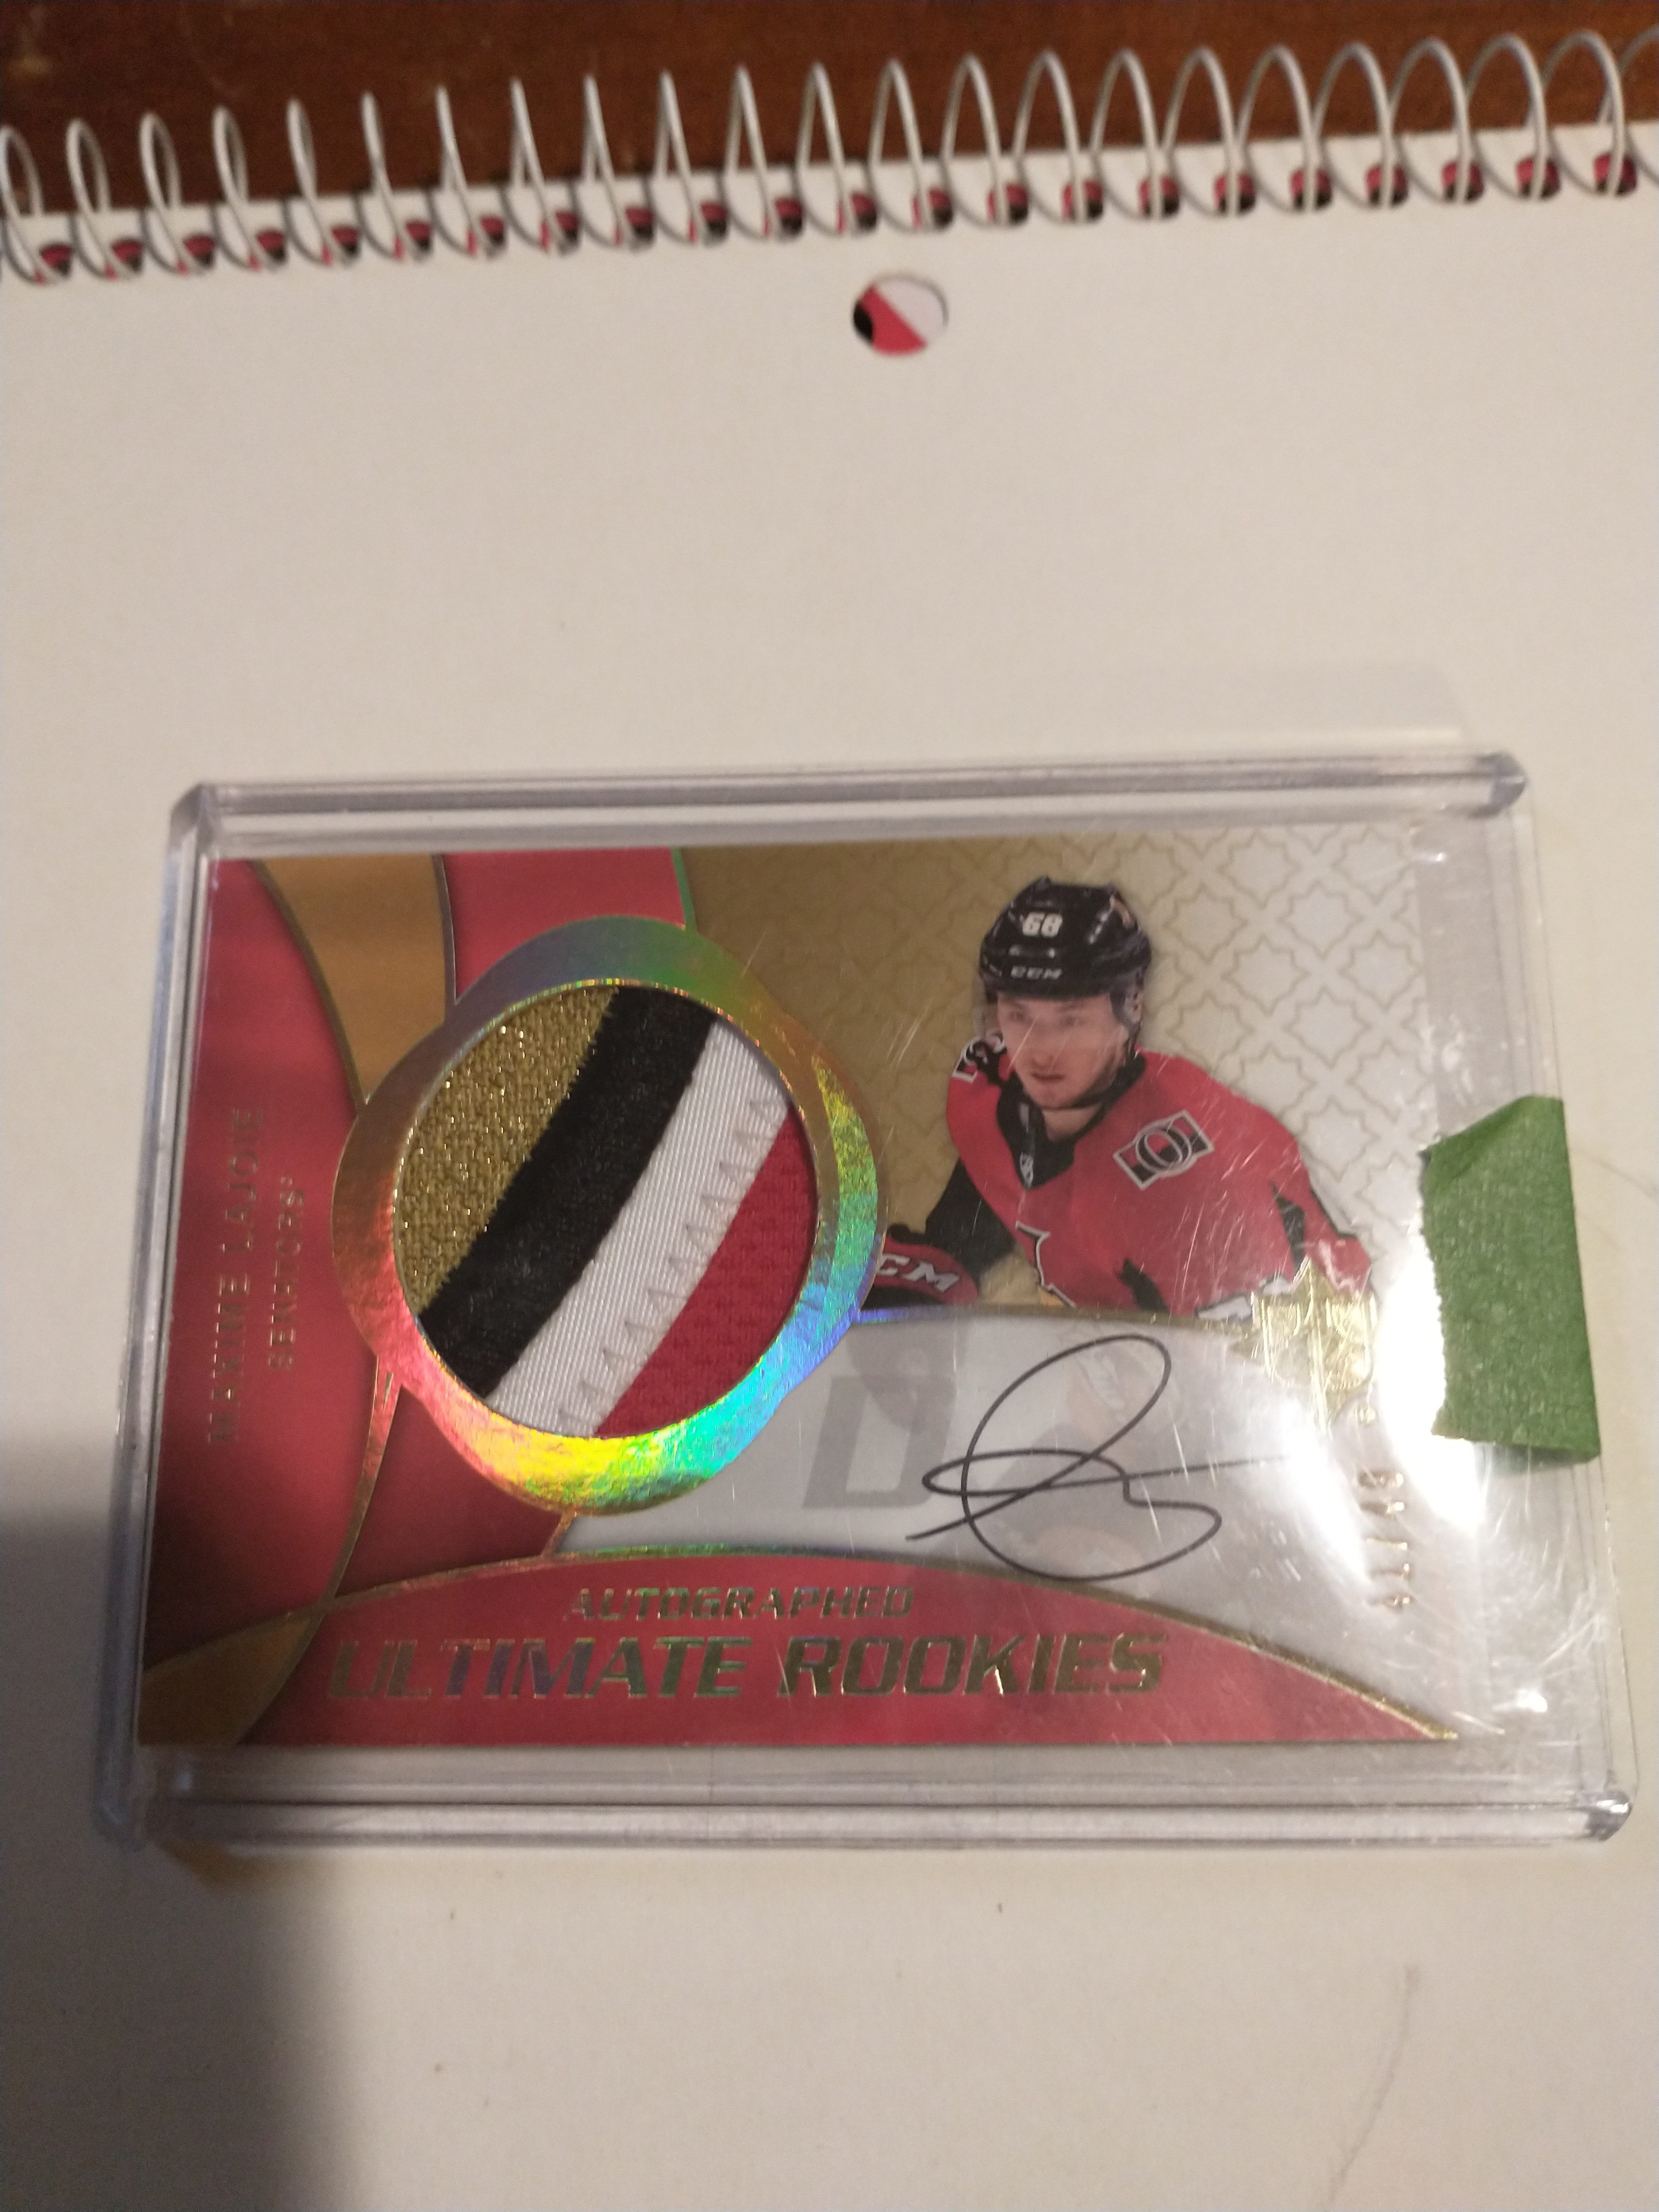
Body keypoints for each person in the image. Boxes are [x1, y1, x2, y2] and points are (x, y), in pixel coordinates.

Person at [868, 876, 1369, 1315]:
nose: (1040, 1050)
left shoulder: (1188, 1185)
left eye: (1071, 1020)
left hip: (1257, 1329)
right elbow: (978, 1211)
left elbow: (1242, 1360)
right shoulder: (986, 1087)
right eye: (1019, 1015)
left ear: (1129, 1010)